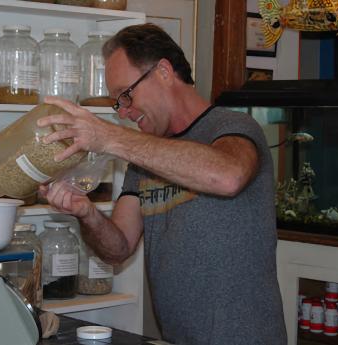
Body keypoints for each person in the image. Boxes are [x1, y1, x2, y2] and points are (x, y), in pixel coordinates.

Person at [37, 23, 287, 344]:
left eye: (126, 96)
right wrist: (86, 213)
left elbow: (227, 176)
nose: (124, 113)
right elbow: (118, 249)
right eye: (118, 104)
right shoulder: (145, 153)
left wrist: (110, 137)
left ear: (165, 72)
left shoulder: (234, 127)